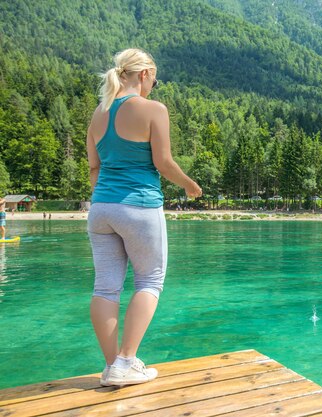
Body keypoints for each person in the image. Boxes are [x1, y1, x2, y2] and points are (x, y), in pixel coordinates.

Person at [86, 49, 202, 387]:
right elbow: (163, 162)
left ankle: (112, 367)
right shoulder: (153, 110)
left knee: (105, 287)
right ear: (145, 73)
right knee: (149, 281)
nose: (154, 84)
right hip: (139, 206)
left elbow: (95, 168)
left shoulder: (98, 114)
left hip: (101, 208)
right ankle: (126, 360)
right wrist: (191, 186)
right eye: (154, 78)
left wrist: (105, 197)